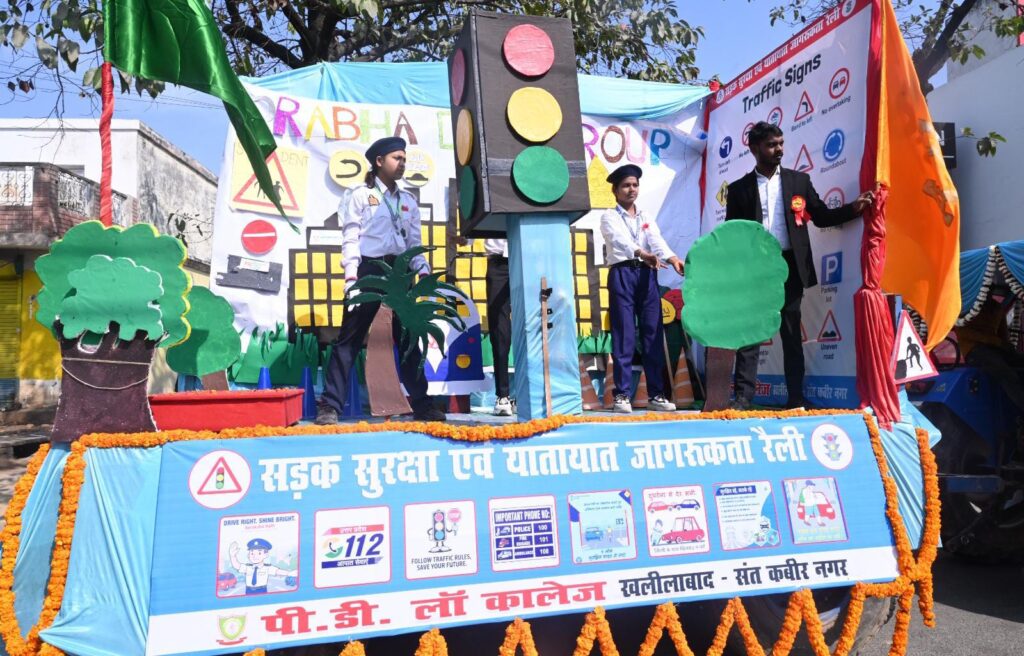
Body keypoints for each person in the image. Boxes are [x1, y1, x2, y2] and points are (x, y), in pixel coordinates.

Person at [725, 121, 874, 409]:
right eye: (771, 145)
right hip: (755, 269)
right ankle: (743, 398)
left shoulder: (799, 181)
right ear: (754, 149)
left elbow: (821, 216)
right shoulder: (739, 189)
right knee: (751, 334)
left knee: (792, 333)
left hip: (790, 266)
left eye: (781, 143)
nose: (779, 149)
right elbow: (733, 235)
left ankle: (795, 398)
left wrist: (854, 209)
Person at [317, 136, 445, 423]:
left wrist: (423, 271)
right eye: (397, 158)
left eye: (404, 159)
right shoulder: (360, 195)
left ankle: (422, 404)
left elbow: (414, 243)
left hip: (400, 273)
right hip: (369, 269)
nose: (402, 164)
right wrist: (351, 278)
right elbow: (351, 237)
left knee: (409, 339)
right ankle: (330, 406)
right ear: (378, 161)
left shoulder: (408, 200)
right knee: (349, 339)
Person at [599, 164, 684, 414]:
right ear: (615, 190)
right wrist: (642, 253)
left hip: (647, 275)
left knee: (652, 332)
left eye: (635, 185)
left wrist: (672, 258)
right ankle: (622, 395)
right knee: (624, 333)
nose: (631, 189)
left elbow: (656, 239)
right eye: (626, 185)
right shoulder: (609, 216)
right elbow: (619, 240)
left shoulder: (645, 217)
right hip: (623, 273)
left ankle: (656, 394)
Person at [228, 538, 297, 595]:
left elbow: (277, 571)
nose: (254, 556)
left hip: (262, 590)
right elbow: (237, 566)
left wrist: (289, 573)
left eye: (259, 553)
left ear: (266, 555)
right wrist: (232, 556)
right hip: (248, 590)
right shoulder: (247, 567)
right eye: (252, 553)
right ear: (248, 555)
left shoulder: (267, 568)